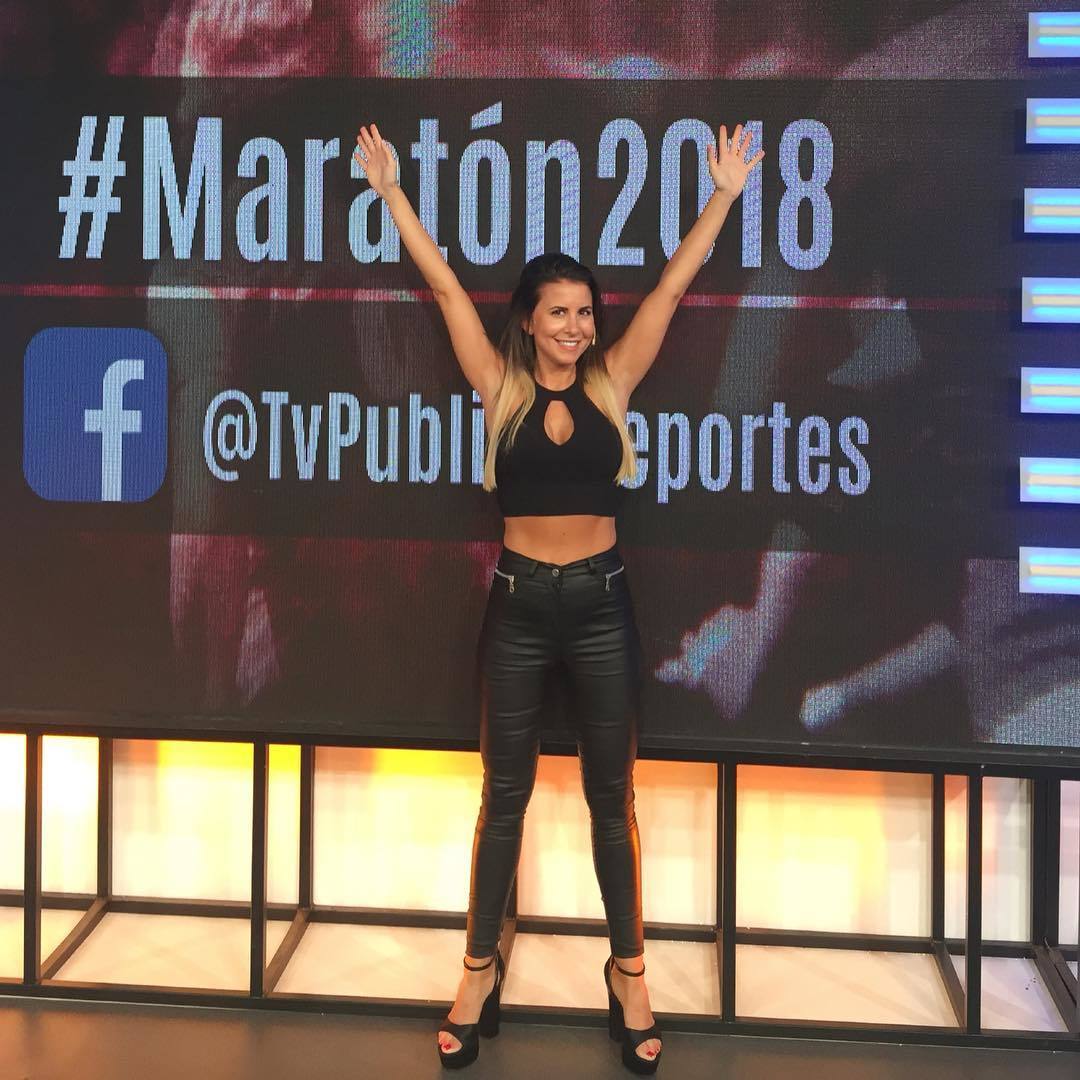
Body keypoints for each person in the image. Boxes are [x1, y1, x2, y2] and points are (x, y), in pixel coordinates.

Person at [353, 121, 762, 1073]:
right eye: (559, 312)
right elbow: (444, 287)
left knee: (612, 799)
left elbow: (671, 289)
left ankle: (629, 976)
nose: (576, 325)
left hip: (602, 607)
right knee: (503, 798)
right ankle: (477, 971)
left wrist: (723, 196)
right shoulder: (499, 388)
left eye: (585, 311)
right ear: (529, 322)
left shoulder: (615, 382)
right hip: (520, 608)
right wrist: (393, 194)